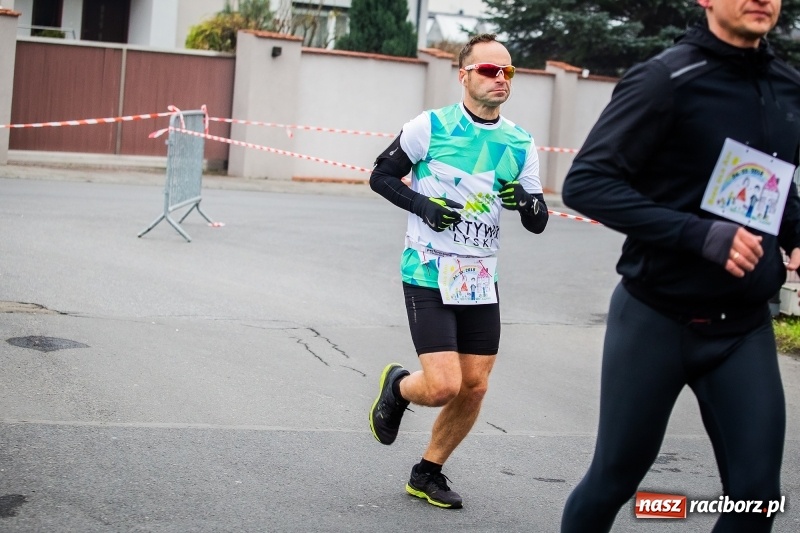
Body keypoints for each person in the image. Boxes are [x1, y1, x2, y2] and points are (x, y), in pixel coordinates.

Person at [560, 1, 800, 531]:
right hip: (656, 319)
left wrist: (797, 232)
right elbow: (586, 184)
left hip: (741, 329)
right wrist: (698, 234)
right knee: (614, 481)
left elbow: (771, 183)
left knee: (757, 497)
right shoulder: (666, 79)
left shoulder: (787, 87)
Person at [367, 33, 549, 509]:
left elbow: (538, 219)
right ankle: (400, 387)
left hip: (479, 279)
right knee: (444, 384)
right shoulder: (430, 127)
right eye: (490, 70)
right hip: (427, 270)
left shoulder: (519, 141)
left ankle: (428, 472)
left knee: (475, 385)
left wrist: (527, 203)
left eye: (507, 72)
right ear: (465, 75)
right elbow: (381, 176)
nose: (500, 79)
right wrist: (423, 206)